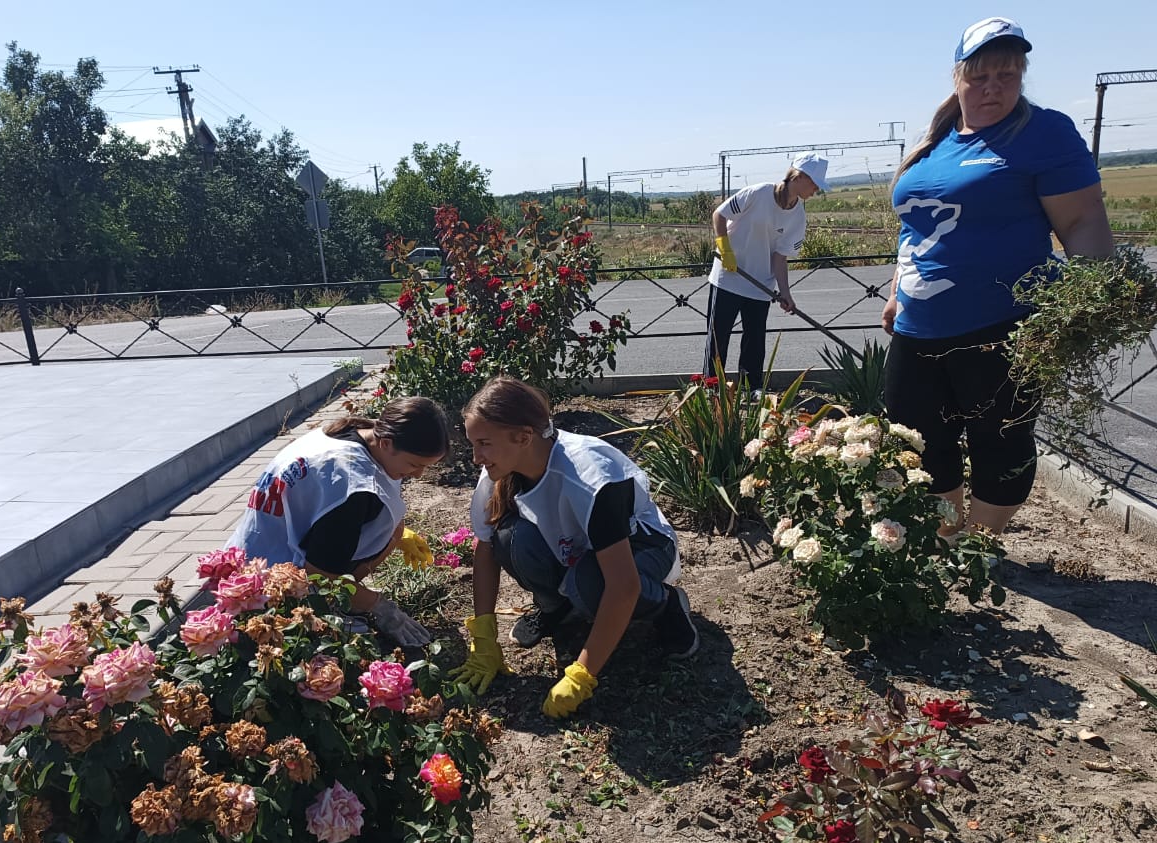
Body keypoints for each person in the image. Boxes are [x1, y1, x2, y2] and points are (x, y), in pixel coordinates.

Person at [880, 16, 1114, 536]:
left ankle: (981, 550)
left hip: (1000, 328)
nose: (994, 88)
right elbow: (913, 226)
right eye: (981, 76)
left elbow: (1082, 221)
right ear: (958, 77)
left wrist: (1092, 301)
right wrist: (898, 290)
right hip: (917, 330)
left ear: (1022, 76)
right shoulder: (934, 141)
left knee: (1000, 441)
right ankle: (947, 541)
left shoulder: (1042, 133)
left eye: (1008, 75)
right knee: (917, 440)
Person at [450, 376, 698, 719]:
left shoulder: (591, 476)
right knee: (509, 538)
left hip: (643, 549)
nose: (476, 457)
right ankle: (557, 609)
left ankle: (666, 604)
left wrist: (583, 673)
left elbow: (623, 586)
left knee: (590, 584)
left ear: (523, 437)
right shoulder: (500, 468)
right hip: (578, 551)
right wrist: (484, 635)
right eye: (473, 444)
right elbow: (487, 548)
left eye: (483, 444)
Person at [226, 396, 450, 647]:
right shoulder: (354, 488)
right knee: (389, 527)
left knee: (393, 527)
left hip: (245, 556)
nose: (419, 474)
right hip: (270, 585)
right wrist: (379, 606)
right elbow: (319, 575)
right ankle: (317, 608)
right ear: (387, 443)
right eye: (414, 464)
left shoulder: (356, 432)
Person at [705, 151, 829, 390]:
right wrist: (725, 249)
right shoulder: (759, 193)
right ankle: (710, 389)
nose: (816, 191)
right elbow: (719, 215)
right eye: (815, 184)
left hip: (760, 284)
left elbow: (779, 258)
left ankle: (751, 389)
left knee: (755, 342)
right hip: (728, 278)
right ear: (799, 176)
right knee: (718, 339)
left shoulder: (798, 216)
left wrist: (785, 293)